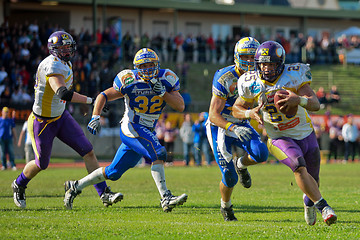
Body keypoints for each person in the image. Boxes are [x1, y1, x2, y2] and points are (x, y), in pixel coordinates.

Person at [63, 48, 188, 212]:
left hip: (146, 130)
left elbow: (180, 106)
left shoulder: (166, 78)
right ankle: (166, 198)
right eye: (143, 66)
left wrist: (163, 92)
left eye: (151, 65)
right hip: (132, 126)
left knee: (113, 172)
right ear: (137, 68)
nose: (148, 69)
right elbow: (103, 95)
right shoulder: (129, 79)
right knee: (158, 153)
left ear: (157, 64)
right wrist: (95, 116)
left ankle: (75, 186)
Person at [11, 31, 122, 209]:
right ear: (53, 50)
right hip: (43, 122)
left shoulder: (65, 63)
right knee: (42, 164)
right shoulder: (52, 65)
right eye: (61, 48)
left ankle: (104, 193)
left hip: (61, 116)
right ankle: (19, 184)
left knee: (88, 152)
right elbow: (62, 93)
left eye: (68, 47)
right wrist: (91, 100)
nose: (66, 50)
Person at [233, 40, 337, 226]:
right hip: (278, 137)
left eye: (271, 63)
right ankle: (324, 207)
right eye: (263, 63)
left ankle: (309, 203)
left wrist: (299, 100)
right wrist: (249, 113)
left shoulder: (294, 75)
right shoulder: (251, 82)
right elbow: (236, 108)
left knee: (314, 177)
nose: (267, 68)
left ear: (280, 63)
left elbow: (315, 104)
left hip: (305, 133)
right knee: (298, 166)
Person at [206, 37, 269, 221]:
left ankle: (240, 164)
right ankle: (226, 206)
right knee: (229, 177)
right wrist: (232, 127)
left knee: (261, 153)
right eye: (245, 56)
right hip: (222, 125)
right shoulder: (225, 77)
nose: (249, 61)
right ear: (236, 57)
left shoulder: (263, 74)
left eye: (252, 57)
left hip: (243, 120)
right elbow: (213, 114)